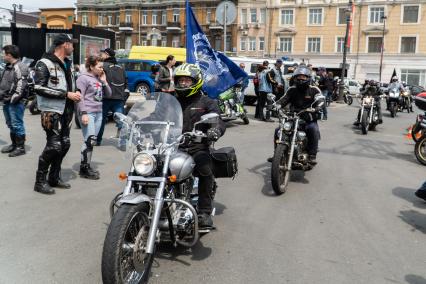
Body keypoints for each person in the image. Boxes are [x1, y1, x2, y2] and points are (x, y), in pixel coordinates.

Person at [173, 63, 226, 228]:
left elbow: (218, 120)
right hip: (172, 147)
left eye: (186, 81)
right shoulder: (171, 101)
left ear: (196, 81)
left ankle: (204, 211)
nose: (183, 84)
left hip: (197, 147)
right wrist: (137, 122)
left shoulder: (206, 101)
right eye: (180, 81)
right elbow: (156, 115)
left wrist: (215, 130)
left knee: (205, 170)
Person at [33, 34, 81, 194]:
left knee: (65, 144)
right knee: (54, 145)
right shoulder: (44, 63)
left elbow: (70, 84)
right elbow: (38, 88)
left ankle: (54, 177)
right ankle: (39, 181)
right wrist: (66, 94)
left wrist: (76, 92)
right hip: (51, 111)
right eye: (71, 44)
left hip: (66, 110)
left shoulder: (68, 64)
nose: (73, 47)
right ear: (63, 45)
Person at [272, 66, 323, 164]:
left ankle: (312, 155)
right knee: (278, 130)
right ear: (295, 78)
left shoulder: (314, 89)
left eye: (303, 77)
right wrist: (276, 105)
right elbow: (284, 99)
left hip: (309, 118)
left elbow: (320, 98)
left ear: (308, 78)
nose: (300, 79)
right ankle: (277, 154)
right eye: (298, 77)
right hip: (293, 117)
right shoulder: (292, 90)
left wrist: (318, 106)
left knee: (313, 130)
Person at [76, 56, 111, 179]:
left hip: (98, 113)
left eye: (102, 67)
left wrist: (104, 82)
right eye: (99, 67)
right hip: (88, 113)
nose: (102, 69)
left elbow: (109, 94)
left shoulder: (98, 78)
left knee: (92, 141)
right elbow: (79, 97)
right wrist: (84, 113)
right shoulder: (83, 78)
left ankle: (87, 165)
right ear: (91, 66)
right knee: (89, 140)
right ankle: (83, 168)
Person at [0, 45, 29, 157]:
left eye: (4, 54)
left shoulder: (20, 67)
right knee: (10, 123)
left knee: (17, 123)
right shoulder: (8, 66)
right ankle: (14, 144)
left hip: (15, 102)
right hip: (7, 101)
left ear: (9, 55)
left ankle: (20, 147)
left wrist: (12, 99)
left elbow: (21, 86)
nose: (3, 55)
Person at [97, 48, 129, 146]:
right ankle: (123, 142)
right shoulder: (121, 68)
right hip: (119, 98)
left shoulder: (102, 66)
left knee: (101, 120)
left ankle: (97, 140)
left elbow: (97, 80)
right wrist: (124, 96)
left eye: (102, 53)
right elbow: (126, 84)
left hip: (105, 98)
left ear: (107, 55)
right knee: (121, 121)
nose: (101, 55)